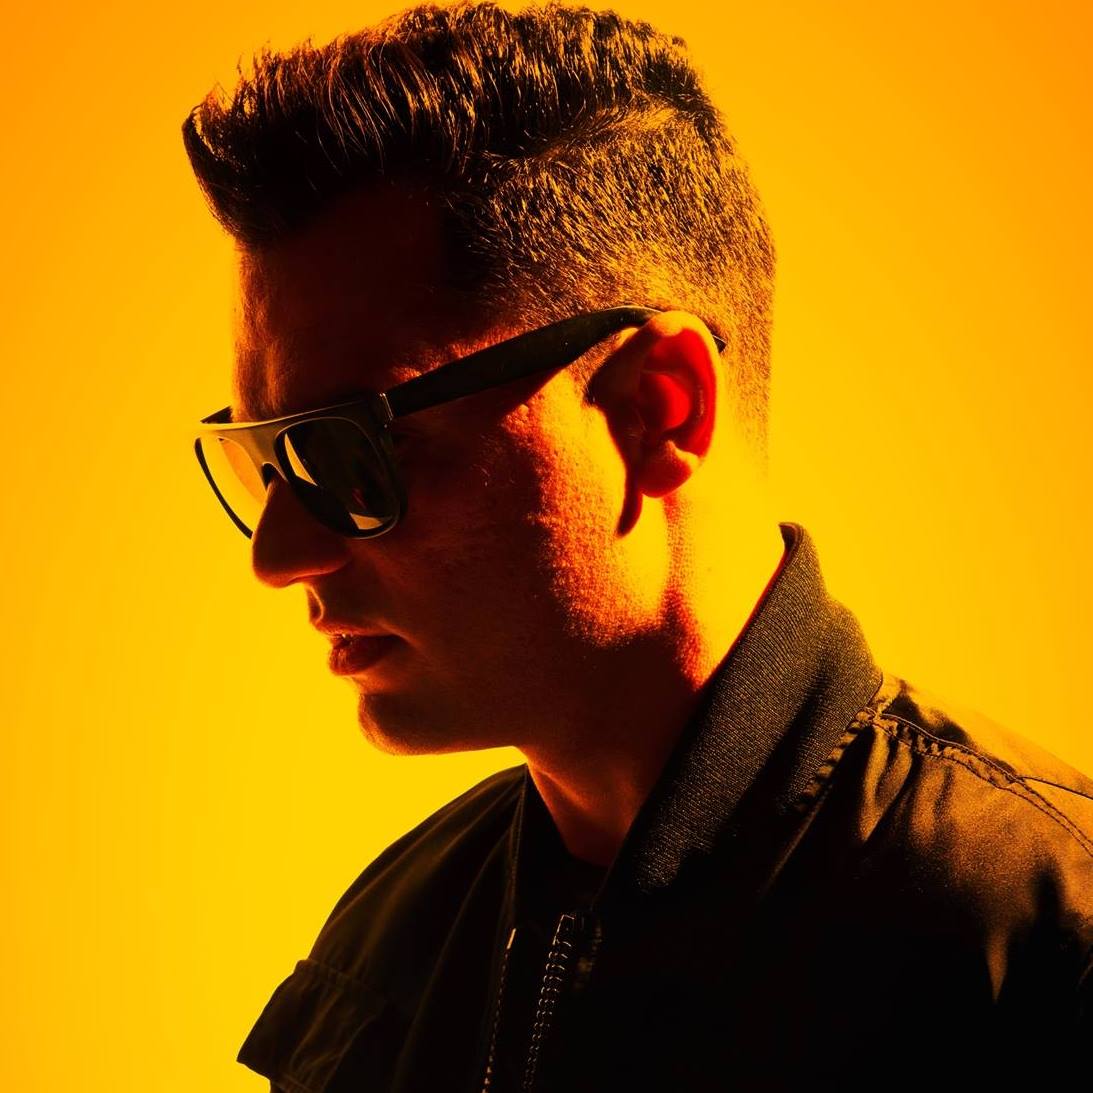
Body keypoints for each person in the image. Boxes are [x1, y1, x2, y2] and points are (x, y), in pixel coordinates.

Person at [183, 3, 1092, 1089]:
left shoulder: (1039, 952)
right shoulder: (387, 944)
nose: (278, 554)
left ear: (659, 409)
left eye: (348, 453)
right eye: (266, 459)